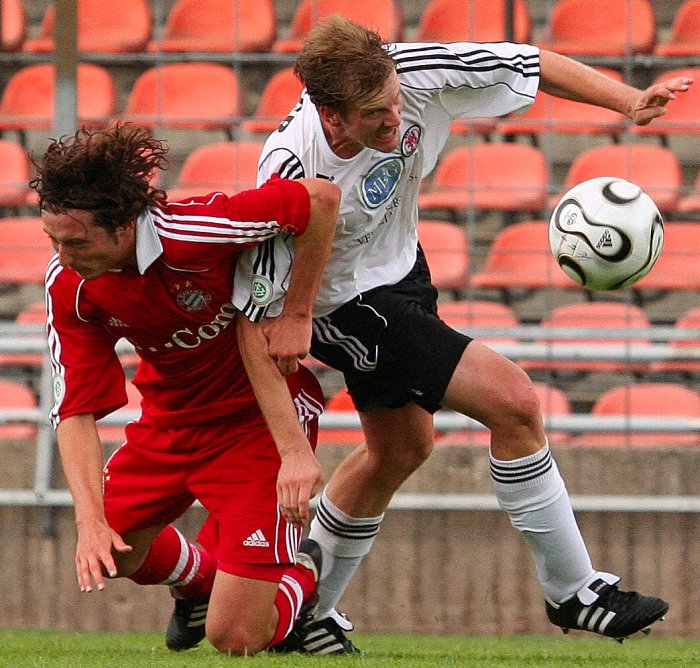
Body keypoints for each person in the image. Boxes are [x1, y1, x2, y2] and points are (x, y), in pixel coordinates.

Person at [231, 17, 692, 654]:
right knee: (516, 402)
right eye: (375, 115)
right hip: (344, 304)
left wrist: (629, 102)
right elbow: (256, 317)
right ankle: (574, 590)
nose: (395, 120)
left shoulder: (413, 72)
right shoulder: (286, 169)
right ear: (330, 116)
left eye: (395, 101)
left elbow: (529, 60)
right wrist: (291, 448)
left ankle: (305, 607)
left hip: (401, 270)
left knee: (400, 451)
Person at [32, 122, 342, 656]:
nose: (63, 253)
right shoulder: (69, 283)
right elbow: (75, 409)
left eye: (76, 240)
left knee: (236, 639)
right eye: (52, 239)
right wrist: (89, 520)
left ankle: (301, 579)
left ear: (126, 224)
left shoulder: (200, 229)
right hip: (169, 426)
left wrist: (297, 312)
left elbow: (320, 198)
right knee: (116, 550)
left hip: (255, 429)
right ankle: (200, 583)